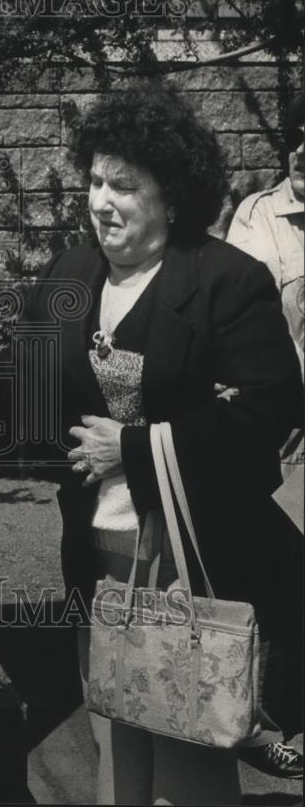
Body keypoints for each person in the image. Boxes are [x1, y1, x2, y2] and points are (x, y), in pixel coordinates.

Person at [0, 80, 304, 805]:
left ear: (170, 196)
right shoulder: (72, 275)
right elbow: (29, 400)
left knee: (186, 755)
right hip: (98, 563)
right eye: (93, 181)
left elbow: (267, 412)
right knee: (116, 743)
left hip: (195, 566)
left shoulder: (228, 283)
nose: (100, 201)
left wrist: (138, 448)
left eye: (124, 185)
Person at [226, 93, 304, 780]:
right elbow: (242, 329)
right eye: (297, 135)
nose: (302, 150)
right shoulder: (261, 219)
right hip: (290, 435)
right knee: (279, 577)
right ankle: (265, 717)